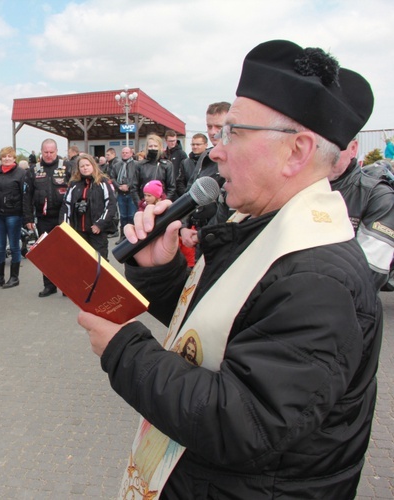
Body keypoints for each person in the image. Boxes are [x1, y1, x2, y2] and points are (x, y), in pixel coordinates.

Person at [81, 40, 380, 498]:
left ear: (297, 152)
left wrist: (123, 348)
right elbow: (228, 332)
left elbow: (243, 422)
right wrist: (161, 274)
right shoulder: (259, 223)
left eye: (233, 134)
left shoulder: (318, 276)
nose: (215, 152)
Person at [329, 139, 394, 290]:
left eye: (335, 144)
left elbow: (370, 272)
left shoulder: (378, 196)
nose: (325, 153)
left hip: (346, 307)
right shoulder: (293, 189)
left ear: (353, 148)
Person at [179, 102, 231, 254]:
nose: (213, 132)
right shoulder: (205, 157)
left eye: (219, 127)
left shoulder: (238, 159)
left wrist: (203, 235)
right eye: (209, 127)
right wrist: (183, 227)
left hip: (222, 239)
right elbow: (190, 193)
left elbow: (228, 210)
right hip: (200, 234)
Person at [24, 138, 69, 297]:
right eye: (45, 152)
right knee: (47, 254)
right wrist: (28, 218)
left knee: (65, 254)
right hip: (43, 218)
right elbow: (27, 195)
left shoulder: (66, 166)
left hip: (63, 218)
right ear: (41, 152)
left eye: (51, 152)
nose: (49, 155)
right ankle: (49, 286)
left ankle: (66, 286)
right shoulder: (34, 170)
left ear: (57, 151)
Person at [60, 154, 117, 259]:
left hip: (97, 231)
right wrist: (65, 227)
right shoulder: (74, 184)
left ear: (93, 165)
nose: (85, 168)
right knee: (81, 262)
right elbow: (66, 206)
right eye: (82, 166)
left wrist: (100, 224)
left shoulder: (103, 182)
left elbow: (111, 205)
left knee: (100, 263)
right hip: (79, 231)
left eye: (87, 165)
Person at [0, 146, 28, 289]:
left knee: (13, 246)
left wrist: (25, 216)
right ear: (0, 158)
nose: (6, 158)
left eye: (9, 156)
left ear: (14, 158)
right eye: (4, 156)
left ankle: (14, 277)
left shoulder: (21, 173)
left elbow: (25, 195)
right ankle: (0, 277)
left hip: (13, 214)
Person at [132, 134, 176, 202]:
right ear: (147, 147)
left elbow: (171, 187)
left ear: (160, 147)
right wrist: (139, 204)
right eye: (150, 146)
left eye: (155, 146)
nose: (153, 148)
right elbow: (134, 187)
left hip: (161, 203)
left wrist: (164, 203)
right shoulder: (140, 165)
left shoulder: (167, 165)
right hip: (144, 203)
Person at [108, 146, 137, 243]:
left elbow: (137, 178)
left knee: (132, 216)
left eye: (127, 152)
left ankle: (132, 236)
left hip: (132, 193)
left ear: (131, 153)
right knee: (123, 216)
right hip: (120, 194)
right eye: (123, 152)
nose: (125, 154)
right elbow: (112, 177)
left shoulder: (136, 165)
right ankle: (123, 236)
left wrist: (128, 186)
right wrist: (119, 186)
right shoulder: (117, 165)